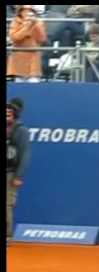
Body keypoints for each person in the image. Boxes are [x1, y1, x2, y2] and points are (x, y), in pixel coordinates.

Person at [6, 98, 31, 244]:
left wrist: (18, 176)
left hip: (10, 174)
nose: (7, 115)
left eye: (9, 113)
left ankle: (7, 236)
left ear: (15, 115)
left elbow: (25, 154)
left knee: (7, 204)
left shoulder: (21, 131)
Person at [7, 5, 47, 82]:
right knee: (19, 84)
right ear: (20, 12)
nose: (28, 13)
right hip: (19, 59)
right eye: (25, 10)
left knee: (34, 83)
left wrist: (35, 25)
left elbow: (42, 39)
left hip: (33, 59)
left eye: (30, 11)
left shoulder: (39, 23)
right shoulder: (15, 22)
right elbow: (15, 38)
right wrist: (26, 27)